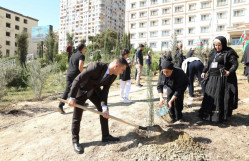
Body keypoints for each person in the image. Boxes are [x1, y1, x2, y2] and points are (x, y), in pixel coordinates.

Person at [68, 58, 128, 154]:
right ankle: (75, 141)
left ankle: (105, 136)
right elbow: (77, 79)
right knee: (77, 117)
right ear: (116, 66)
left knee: (103, 111)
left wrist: (104, 107)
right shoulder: (96, 66)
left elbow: (105, 92)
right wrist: (72, 97)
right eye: (122, 70)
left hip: (94, 91)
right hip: (81, 90)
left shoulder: (113, 76)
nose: (122, 72)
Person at [199, 36, 239, 122]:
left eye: (219, 45)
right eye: (215, 45)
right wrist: (203, 71)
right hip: (211, 79)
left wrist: (229, 72)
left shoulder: (229, 52)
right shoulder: (212, 52)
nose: (217, 47)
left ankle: (219, 116)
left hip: (222, 80)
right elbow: (208, 64)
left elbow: (235, 64)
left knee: (219, 96)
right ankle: (208, 114)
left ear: (223, 44)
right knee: (209, 95)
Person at [58, 44, 86, 114]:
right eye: (85, 48)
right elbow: (80, 66)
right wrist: (83, 74)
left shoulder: (73, 55)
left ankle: (60, 105)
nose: (85, 50)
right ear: (82, 49)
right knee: (82, 87)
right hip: (75, 75)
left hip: (69, 74)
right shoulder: (81, 55)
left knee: (68, 89)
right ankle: (80, 103)